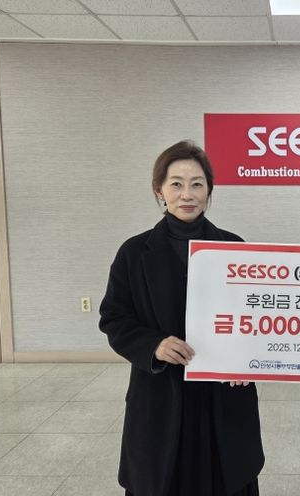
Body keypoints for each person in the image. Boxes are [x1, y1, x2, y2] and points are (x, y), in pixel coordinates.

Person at [99, 140, 264, 496]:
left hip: (222, 393)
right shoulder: (133, 252)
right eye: (176, 184)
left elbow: (256, 318)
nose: (187, 194)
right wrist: (153, 345)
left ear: (209, 190)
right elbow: (113, 318)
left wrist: (246, 361)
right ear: (159, 190)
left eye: (197, 184)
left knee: (227, 477)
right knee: (160, 478)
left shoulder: (235, 248)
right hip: (160, 391)